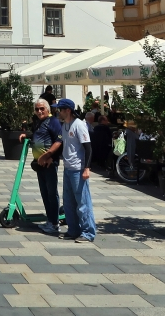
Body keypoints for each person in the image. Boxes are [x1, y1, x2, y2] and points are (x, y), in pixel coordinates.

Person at [19, 99, 62, 234]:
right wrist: (26, 135)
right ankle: (50, 220)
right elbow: (37, 135)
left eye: (42, 108)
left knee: (51, 193)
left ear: (48, 109)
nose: (39, 111)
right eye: (37, 109)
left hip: (49, 163)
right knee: (44, 193)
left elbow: (60, 140)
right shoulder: (39, 122)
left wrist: (50, 156)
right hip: (39, 164)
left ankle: (54, 223)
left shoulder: (53, 121)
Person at [56, 99, 95, 243]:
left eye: (60, 109)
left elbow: (88, 148)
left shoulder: (79, 125)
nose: (58, 112)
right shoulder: (65, 125)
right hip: (68, 168)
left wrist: (87, 168)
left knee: (83, 203)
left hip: (78, 169)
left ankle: (88, 232)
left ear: (68, 111)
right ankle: (73, 230)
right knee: (69, 202)